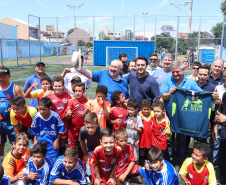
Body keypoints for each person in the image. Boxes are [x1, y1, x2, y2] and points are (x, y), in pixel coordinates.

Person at [161, 60, 204, 170]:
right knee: (169, 140)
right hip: (169, 116)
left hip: (184, 118)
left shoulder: (190, 83)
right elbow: (163, 97)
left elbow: (201, 94)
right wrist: (170, 93)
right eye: (173, 72)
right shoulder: (167, 80)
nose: (175, 74)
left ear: (183, 70)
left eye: (177, 72)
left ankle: (179, 163)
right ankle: (169, 161)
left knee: (181, 142)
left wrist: (212, 95)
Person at [30, 97, 66, 162]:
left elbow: (60, 129)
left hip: (52, 143)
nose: (41, 111)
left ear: (49, 108)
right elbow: (34, 130)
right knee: (39, 161)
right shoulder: (37, 116)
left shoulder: (55, 116)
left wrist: (57, 140)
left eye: (43, 109)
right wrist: (35, 140)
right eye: (39, 109)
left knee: (52, 162)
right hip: (40, 142)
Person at [0, 66, 23, 159]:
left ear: (9, 76)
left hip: (12, 121)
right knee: (0, 141)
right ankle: (2, 157)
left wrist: (14, 107)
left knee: (16, 140)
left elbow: (22, 104)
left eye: (4, 76)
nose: (1, 78)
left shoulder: (15, 88)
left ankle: (17, 158)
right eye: (0, 76)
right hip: (0, 120)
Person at [49, 76, 71, 154]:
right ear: (52, 86)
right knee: (53, 143)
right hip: (53, 125)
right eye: (55, 86)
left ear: (63, 87)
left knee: (62, 143)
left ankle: (62, 158)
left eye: (59, 86)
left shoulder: (67, 95)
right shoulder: (50, 96)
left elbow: (71, 105)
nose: (57, 88)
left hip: (64, 124)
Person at [65, 82, 88, 147]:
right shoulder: (71, 101)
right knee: (71, 148)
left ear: (84, 91)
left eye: (79, 91)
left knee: (83, 147)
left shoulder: (87, 101)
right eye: (76, 91)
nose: (77, 93)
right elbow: (66, 117)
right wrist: (68, 114)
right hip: (73, 130)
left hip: (84, 129)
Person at [139, 99, 154, 166]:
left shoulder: (153, 115)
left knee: (150, 156)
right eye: (144, 109)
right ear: (141, 108)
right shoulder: (139, 117)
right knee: (141, 156)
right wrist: (139, 113)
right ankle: (142, 168)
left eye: (148, 109)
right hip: (142, 141)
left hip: (151, 141)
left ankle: (150, 167)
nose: (146, 111)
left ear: (151, 108)